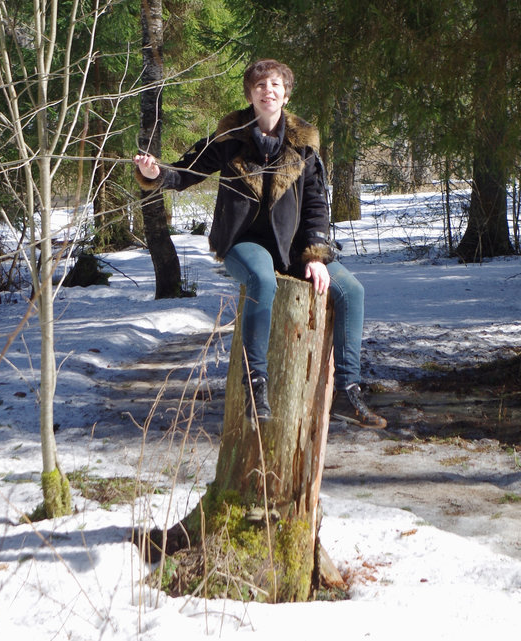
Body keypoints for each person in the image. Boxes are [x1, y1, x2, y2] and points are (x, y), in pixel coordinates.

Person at [134, 59, 386, 429]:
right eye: (259, 86)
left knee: (351, 290)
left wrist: (315, 254)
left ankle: (348, 390)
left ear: (285, 94)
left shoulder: (304, 146)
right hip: (243, 242)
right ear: (250, 95)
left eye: (274, 85)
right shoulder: (231, 138)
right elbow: (187, 171)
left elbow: (317, 205)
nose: (268, 90)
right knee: (262, 280)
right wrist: (154, 173)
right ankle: (256, 385)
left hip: (294, 247)